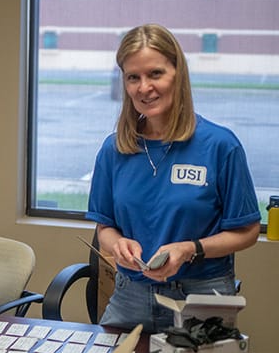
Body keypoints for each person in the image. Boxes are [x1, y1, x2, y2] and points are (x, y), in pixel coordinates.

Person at [86, 24, 260, 333]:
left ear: (178, 74)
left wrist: (189, 248)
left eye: (155, 74)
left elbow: (246, 232)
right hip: (130, 296)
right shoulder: (114, 149)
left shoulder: (220, 146)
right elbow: (105, 227)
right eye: (133, 77)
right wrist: (118, 244)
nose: (144, 88)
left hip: (200, 296)